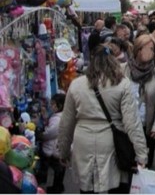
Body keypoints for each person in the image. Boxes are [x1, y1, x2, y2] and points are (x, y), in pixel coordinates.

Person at [57, 45, 148, 193]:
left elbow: (67, 121)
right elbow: (132, 122)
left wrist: (63, 150)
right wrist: (141, 153)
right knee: (113, 181)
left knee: (87, 185)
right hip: (111, 139)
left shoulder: (77, 85)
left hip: (83, 139)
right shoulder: (122, 84)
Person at [121, 34, 155, 169]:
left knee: (144, 170)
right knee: (125, 169)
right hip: (124, 128)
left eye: (152, 49)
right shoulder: (122, 69)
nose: (148, 52)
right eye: (145, 48)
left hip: (147, 127)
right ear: (137, 49)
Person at [36, 93, 66, 193]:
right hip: (57, 148)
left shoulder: (58, 119)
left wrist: (40, 134)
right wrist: (45, 117)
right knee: (59, 171)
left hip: (53, 149)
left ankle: (54, 189)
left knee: (55, 170)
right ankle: (57, 187)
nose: (51, 106)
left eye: (53, 104)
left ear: (60, 106)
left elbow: (48, 133)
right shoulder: (59, 116)